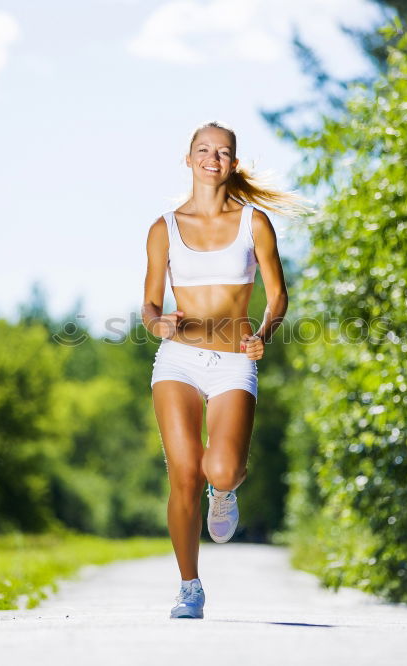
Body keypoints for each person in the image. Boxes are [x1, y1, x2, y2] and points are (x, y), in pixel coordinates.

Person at [142, 121, 306, 620]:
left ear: (233, 163)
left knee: (222, 469)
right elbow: (148, 306)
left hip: (234, 360)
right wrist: (159, 323)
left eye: (223, 152)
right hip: (178, 362)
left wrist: (264, 335)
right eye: (203, 150)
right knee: (184, 476)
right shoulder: (162, 228)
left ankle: (225, 491)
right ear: (188, 159)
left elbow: (278, 296)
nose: (213, 158)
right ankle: (189, 587)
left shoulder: (254, 222)